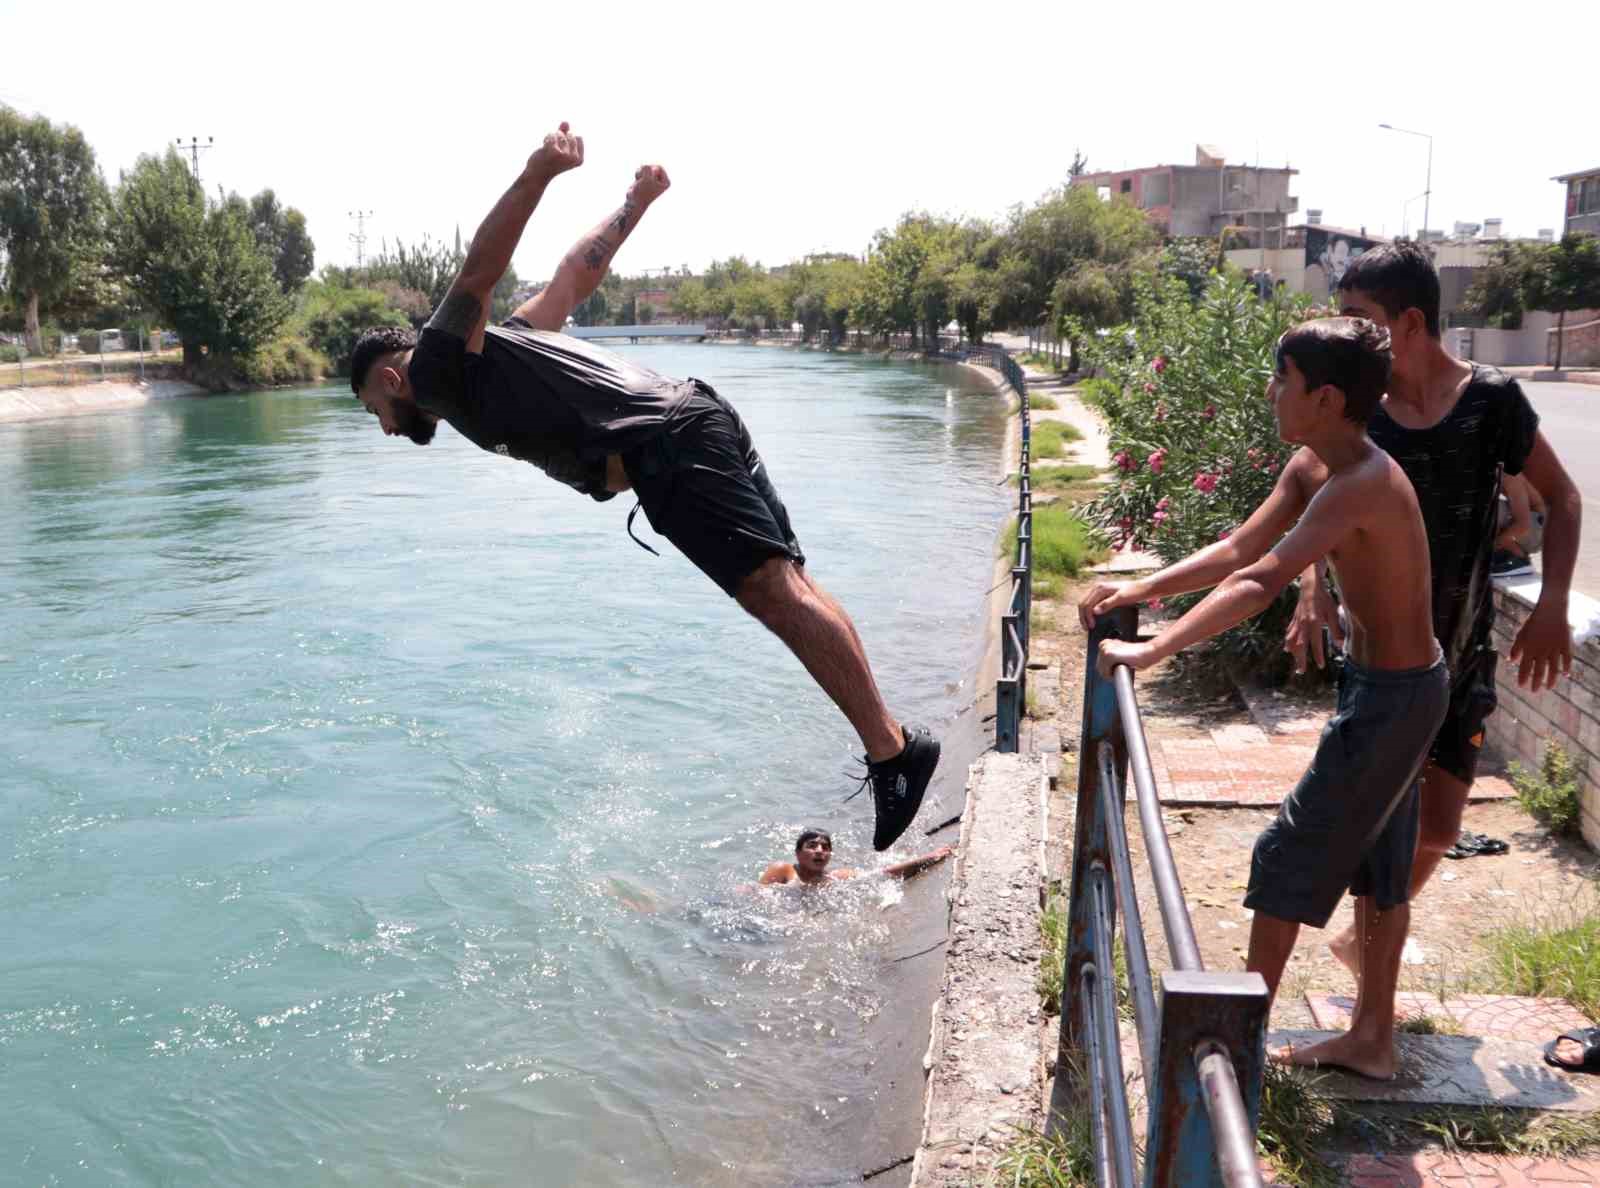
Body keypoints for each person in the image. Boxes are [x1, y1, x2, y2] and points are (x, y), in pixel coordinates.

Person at [348, 124, 938, 851]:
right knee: (794, 586)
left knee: (773, 595)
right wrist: (634, 204)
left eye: (374, 411)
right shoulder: (508, 345)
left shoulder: (435, 372)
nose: (384, 428)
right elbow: (574, 276)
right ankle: (892, 745)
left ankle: (892, 753)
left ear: (389, 379)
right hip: (698, 414)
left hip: (667, 448)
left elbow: (475, 272)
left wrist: (537, 174)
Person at [1080, 317, 1447, 1079]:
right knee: (1381, 870)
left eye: (1283, 380)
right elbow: (1240, 548)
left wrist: (1152, 648)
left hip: (1396, 700)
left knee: (1284, 858)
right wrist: (1142, 588)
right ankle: (1371, 1040)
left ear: (1326, 397)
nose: (1271, 392)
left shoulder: (1363, 483)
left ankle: (1236, 1056)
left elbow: (1259, 582)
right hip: (1386, 689)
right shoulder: (1318, 465)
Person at [1284, 243, 1582, 975]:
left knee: (1441, 829)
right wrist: (1312, 587)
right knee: (1379, 824)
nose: (1346, 334)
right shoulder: (1362, 417)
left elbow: (1565, 497)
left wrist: (1552, 606)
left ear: (1410, 322)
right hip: (1382, 662)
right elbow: (1308, 509)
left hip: (1464, 652)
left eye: (1360, 319)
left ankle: (1366, 950)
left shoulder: (1491, 402)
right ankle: (1371, 1002)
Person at [758, 828, 955, 887]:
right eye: (812, 846)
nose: (820, 850)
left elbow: (883, 874)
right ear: (798, 853)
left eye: (825, 848)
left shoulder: (835, 877)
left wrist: (930, 857)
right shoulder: (783, 870)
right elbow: (759, 894)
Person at [1491, 471, 1546, 578]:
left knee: (1493, 510)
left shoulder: (1510, 476)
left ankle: (1520, 559)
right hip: (1530, 526)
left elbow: (1523, 525)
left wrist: (1494, 544)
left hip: (1539, 531)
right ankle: (1503, 553)